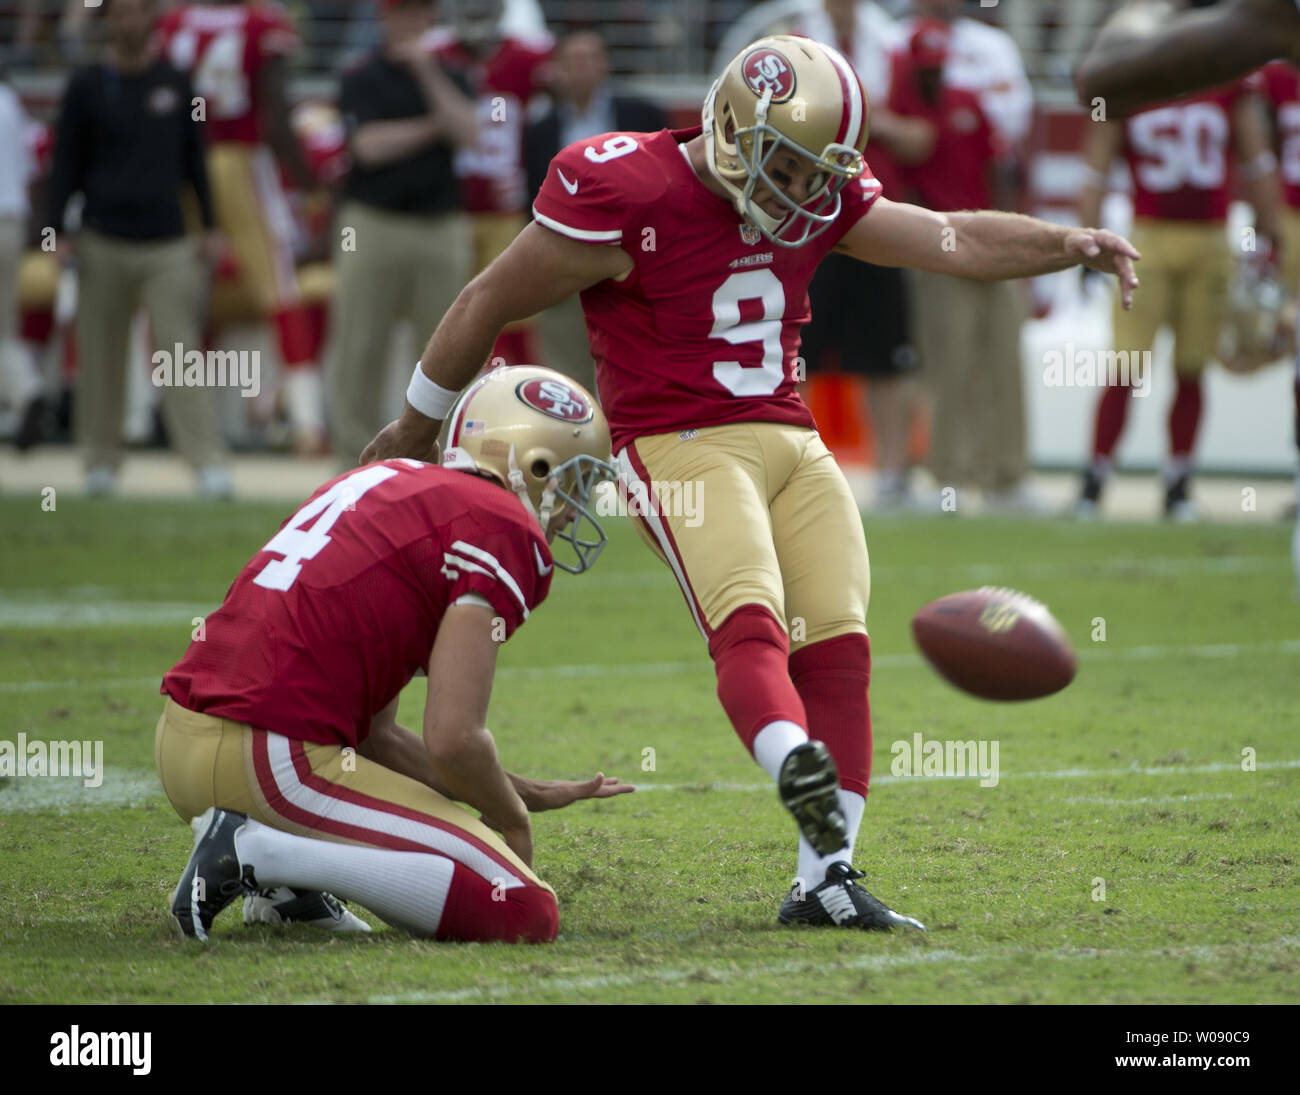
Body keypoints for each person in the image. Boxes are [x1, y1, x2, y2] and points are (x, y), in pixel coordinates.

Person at [362, 34, 1139, 930]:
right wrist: (415, 425)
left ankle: (826, 879)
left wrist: (1066, 241)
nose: (801, 192)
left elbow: (949, 238)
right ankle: (792, 766)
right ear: (733, 124)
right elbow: (488, 298)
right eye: (788, 165)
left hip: (791, 436)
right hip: (678, 443)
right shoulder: (627, 187)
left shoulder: (819, 193)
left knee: (840, 643)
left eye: (818, 174)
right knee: (750, 618)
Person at [159, 365, 632, 942]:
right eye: (574, 485)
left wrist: (520, 788)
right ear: (535, 466)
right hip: (270, 760)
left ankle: (286, 886)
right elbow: (453, 738)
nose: (573, 511)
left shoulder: (387, 480)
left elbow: (375, 738)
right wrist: (512, 816)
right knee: (523, 908)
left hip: (183, 744)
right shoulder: (501, 522)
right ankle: (259, 855)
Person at [1075, 73, 1282, 520]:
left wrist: (1270, 233)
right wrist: (1086, 241)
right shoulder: (1137, 78)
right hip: (1149, 239)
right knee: (1127, 365)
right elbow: (1098, 162)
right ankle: (1095, 477)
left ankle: (1177, 480)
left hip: (1206, 239)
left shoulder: (1225, 82)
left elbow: (1256, 160)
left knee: (1191, 366)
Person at [46, 0, 230, 497]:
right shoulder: (85, 85)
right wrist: (55, 231)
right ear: (109, 20)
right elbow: (65, 163)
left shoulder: (177, 82)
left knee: (180, 354)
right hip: (101, 237)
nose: (129, 22)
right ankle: (100, 462)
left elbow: (195, 159)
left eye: (138, 12)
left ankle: (206, 462)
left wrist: (210, 225)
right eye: (120, 13)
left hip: (168, 242)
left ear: (152, 18)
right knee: (100, 355)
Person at [157, 0, 330, 455]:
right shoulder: (261, 22)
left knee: (179, 296)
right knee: (281, 291)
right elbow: (274, 112)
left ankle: (164, 421)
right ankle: (307, 422)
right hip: (239, 161)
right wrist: (310, 185)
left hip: (178, 166)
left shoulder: (175, 22)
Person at [888, 18, 1036, 512]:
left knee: (1004, 358)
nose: (931, 76)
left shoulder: (967, 103)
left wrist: (1011, 238)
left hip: (988, 245)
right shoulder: (900, 116)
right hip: (938, 250)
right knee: (947, 365)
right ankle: (949, 478)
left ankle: (1007, 477)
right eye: (923, 69)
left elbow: (999, 170)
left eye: (937, 67)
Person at [796, 0, 935, 510]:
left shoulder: (893, 50)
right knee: (794, 358)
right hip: (806, 221)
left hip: (874, 219)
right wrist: (866, 121)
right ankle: (790, 475)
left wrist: (861, 119)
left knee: (888, 358)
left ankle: (893, 479)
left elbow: (922, 139)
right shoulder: (795, 46)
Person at [326, 0, 475, 468]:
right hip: (372, 222)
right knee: (359, 345)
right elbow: (368, 147)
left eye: (418, 12)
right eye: (401, 12)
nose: (410, 21)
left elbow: (469, 132)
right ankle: (352, 462)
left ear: (431, 18)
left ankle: (445, 461)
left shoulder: (452, 73)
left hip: (440, 225)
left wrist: (427, 72)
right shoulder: (360, 75)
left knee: (449, 350)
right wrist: (434, 127)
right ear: (384, 17)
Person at [524, 27, 667, 396]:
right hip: (564, 264)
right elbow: (530, 201)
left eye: (590, 59)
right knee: (563, 374)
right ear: (557, 69)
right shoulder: (540, 130)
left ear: (605, 64)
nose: (582, 68)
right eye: (573, 60)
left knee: (633, 370)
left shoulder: (643, 114)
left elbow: (668, 186)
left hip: (631, 263)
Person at [429, 0, 552, 367]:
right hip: (447, 211)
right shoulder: (434, 54)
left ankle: (514, 388)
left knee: (512, 311)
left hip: (504, 210)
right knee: (450, 314)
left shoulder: (529, 58)